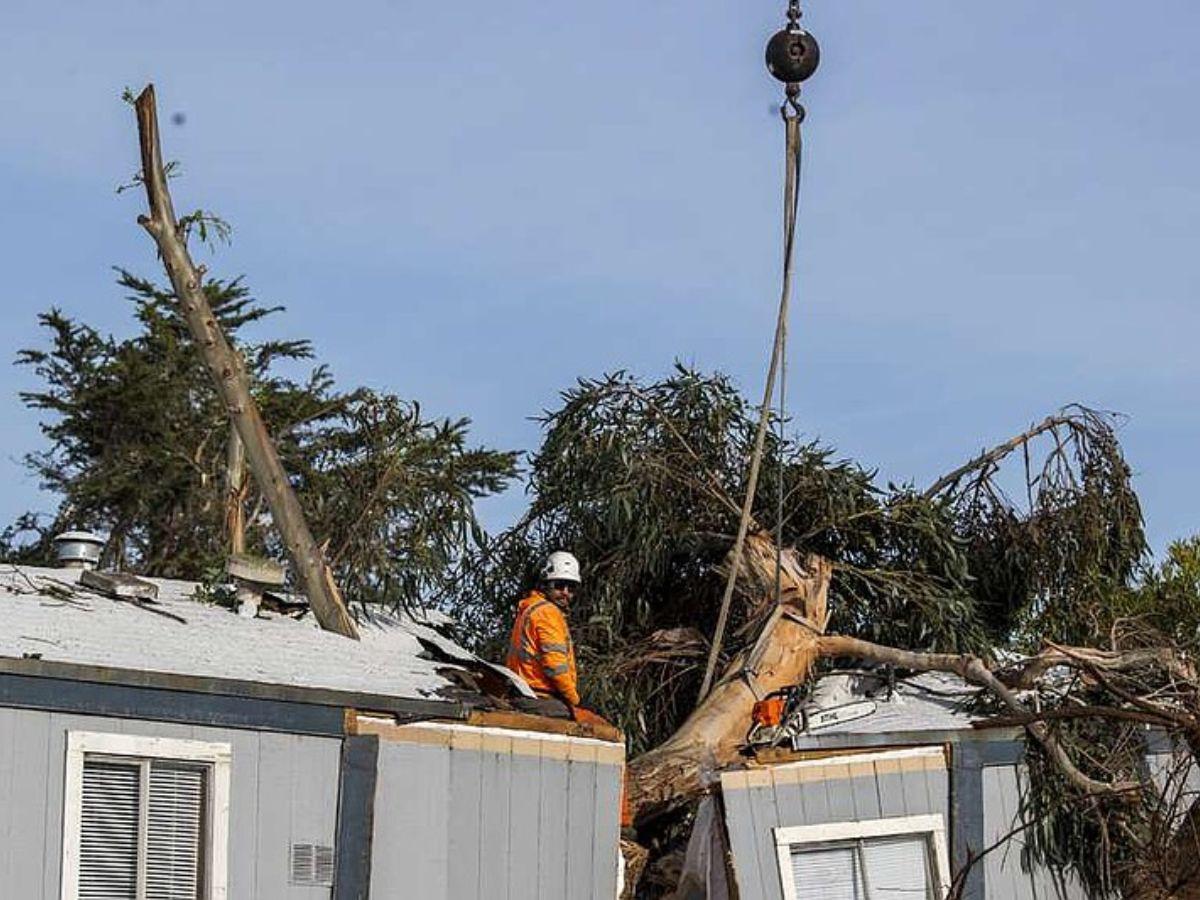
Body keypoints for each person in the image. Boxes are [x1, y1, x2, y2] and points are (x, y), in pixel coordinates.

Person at [506, 550, 586, 718]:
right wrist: (574, 700)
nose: (565, 592)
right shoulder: (547, 613)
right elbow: (555, 666)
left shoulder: (530, 609)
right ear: (545, 585)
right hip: (538, 695)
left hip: (523, 693)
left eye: (571, 588)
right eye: (559, 585)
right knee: (590, 726)